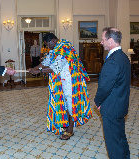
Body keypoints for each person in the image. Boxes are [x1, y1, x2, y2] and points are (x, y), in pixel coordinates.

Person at [28, 33, 93, 140]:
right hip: (63, 81)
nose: (47, 47)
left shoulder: (65, 48)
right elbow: (46, 62)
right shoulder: (55, 50)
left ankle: (70, 130)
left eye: (47, 45)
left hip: (72, 82)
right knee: (65, 103)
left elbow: (54, 68)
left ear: (53, 41)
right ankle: (67, 125)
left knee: (71, 104)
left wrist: (38, 71)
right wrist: (33, 68)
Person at [94, 27, 130, 159]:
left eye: (103, 40)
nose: (101, 42)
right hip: (121, 105)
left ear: (110, 40)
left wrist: (97, 101)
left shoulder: (114, 61)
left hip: (112, 108)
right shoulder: (123, 57)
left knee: (113, 143)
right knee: (120, 137)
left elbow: (105, 87)